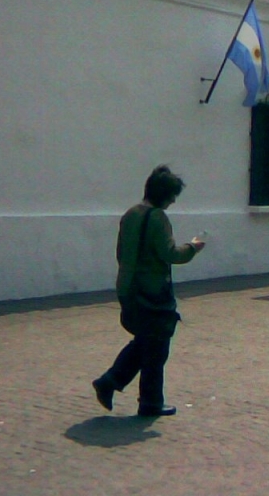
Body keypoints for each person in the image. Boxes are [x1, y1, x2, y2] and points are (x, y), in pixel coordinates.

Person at [92, 165, 206, 417]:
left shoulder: (130, 214)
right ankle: (148, 402)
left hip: (127, 287)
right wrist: (192, 247)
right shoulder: (157, 218)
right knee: (156, 347)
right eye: (172, 196)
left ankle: (110, 382)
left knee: (145, 342)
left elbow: (121, 253)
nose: (174, 201)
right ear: (164, 195)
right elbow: (170, 253)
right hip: (152, 293)